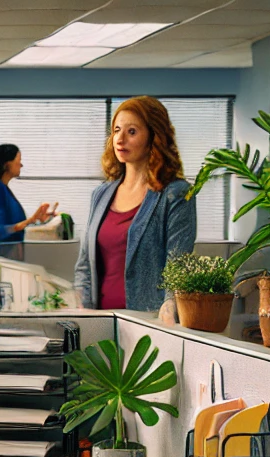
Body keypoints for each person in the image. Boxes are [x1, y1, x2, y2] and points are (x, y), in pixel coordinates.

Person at [74, 96, 196, 316]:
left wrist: (170, 309)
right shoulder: (101, 194)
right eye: (117, 130)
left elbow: (177, 265)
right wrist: (82, 309)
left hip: (147, 321)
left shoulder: (175, 194)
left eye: (131, 132)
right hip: (99, 320)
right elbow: (85, 263)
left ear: (153, 137)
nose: (119, 139)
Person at [0, 145, 58, 252]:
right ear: (7, 164)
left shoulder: (2, 189)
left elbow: (13, 227)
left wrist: (36, 220)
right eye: (18, 160)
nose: (21, 165)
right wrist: (29, 221)